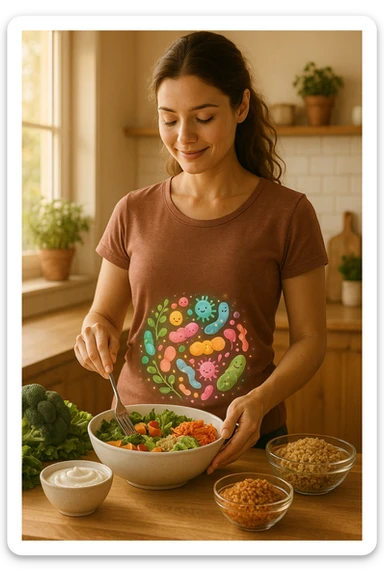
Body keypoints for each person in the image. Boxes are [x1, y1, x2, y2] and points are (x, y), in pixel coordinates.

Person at [74, 31, 328, 475]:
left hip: (241, 441)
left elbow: (311, 340)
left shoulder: (288, 214)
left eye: (203, 117)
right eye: (168, 119)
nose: (184, 136)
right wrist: (94, 334)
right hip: (136, 437)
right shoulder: (133, 209)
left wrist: (261, 399)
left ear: (241, 107)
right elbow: (103, 316)